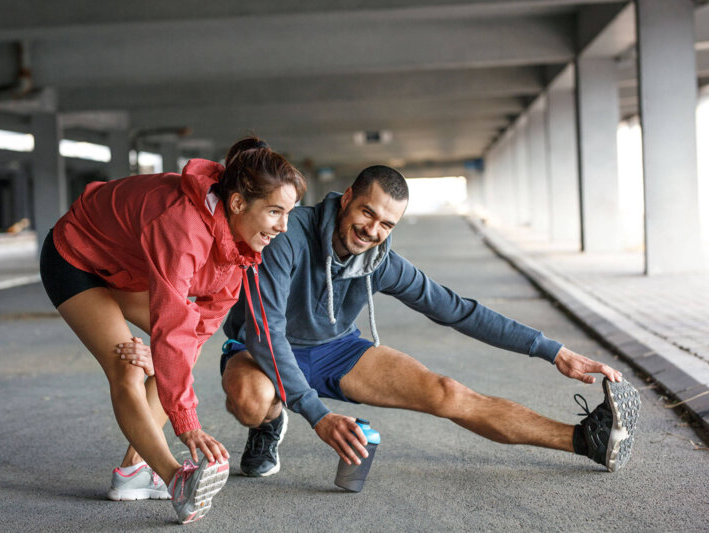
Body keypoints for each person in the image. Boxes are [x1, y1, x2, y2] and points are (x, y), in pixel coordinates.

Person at [215, 164, 640, 480]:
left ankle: (586, 441)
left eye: (386, 224)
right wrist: (318, 414)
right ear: (346, 198)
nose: (371, 230)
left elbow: (458, 310)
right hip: (259, 349)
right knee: (254, 401)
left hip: (335, 349)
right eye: (367, 213)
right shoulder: (288, 237)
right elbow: (265, 333)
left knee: (447, 392)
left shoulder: (381, 262)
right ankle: (269, 424)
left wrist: (553, 351)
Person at [39, 136, 305, 524]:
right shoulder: (182, 228)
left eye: (289, 213)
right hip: (75, 258)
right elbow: (174, 327)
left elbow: (198, 330)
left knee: (179, 353)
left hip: (126, 266)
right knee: (127, 367)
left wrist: (165, 359)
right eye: (275, 212)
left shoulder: (241, 244)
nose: (284, 226)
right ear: (237, 204)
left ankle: (133, 470)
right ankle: (175, 478)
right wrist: (187, 422)